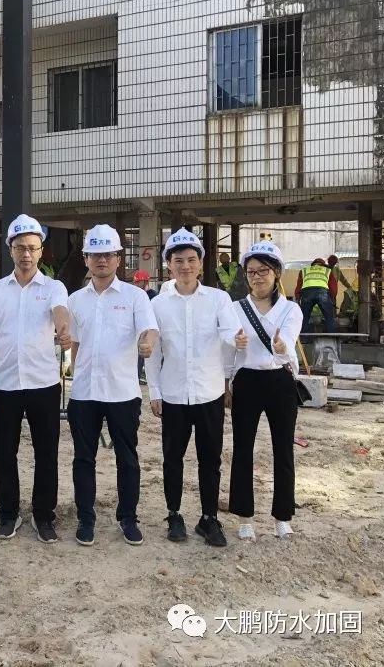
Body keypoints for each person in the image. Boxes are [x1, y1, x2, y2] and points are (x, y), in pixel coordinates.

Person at [66, 224, 159, 547]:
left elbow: (149, 330)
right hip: (84, 393)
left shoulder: (135, 297)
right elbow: (75, 343)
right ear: (86, 259)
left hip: (122, 392)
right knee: (83, 459)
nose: (102, 260)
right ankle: (85, 519)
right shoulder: (75, 300)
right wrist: (74, 373)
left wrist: (147, 343)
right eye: (95, 254)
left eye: (108, 254)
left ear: (119, 258)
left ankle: (128, 518)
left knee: (127, 459)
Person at [144, 228, 237, 547]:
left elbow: (230, 338)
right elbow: (153, 352)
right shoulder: (158, 304)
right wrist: (154, 391)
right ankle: (174, 515)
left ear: (201, 263)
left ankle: (209, 518)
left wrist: (227, 380)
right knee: (172, 458)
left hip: (209, 393)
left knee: (210, 459)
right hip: (173, 395)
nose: (185, 266)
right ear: (168, 264)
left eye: (191, 260)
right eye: (178, 260)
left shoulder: (219, 300)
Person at [0, 214, 70, 543]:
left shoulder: (54, 288)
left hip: (43, 384)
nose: (26, 254)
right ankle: (8, 514)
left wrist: (63, 329)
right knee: (5, 453)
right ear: (10, 250)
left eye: (33, 247)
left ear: (41, 251)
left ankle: (43, 516)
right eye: (20, 247)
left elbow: (60, 313)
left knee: (46, 453)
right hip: (5, 385)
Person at [228, 240, 303, 542]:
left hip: (279, 381)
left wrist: (281, 346)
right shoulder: (235, 309)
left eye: (263, 271)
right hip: (246, 381)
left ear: (276, 274)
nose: (257, 277)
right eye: (251, 271)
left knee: (283, 449)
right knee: (242, 449)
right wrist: (232, 355)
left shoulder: (291, 309)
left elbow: (287, 343)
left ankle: (282, 517)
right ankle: (244, 517)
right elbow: (227, 350)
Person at [294, 258, 337, 332]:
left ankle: (304, 337)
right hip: (322, 292)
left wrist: (298, 297)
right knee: (329, 317)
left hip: (307, 293)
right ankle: (332, 336)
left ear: (313, 264)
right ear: (323, 265)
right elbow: (333, 287)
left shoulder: (304, 270)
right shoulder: (327, 270)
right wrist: (332, 299)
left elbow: (299, 286)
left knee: (304, 317)